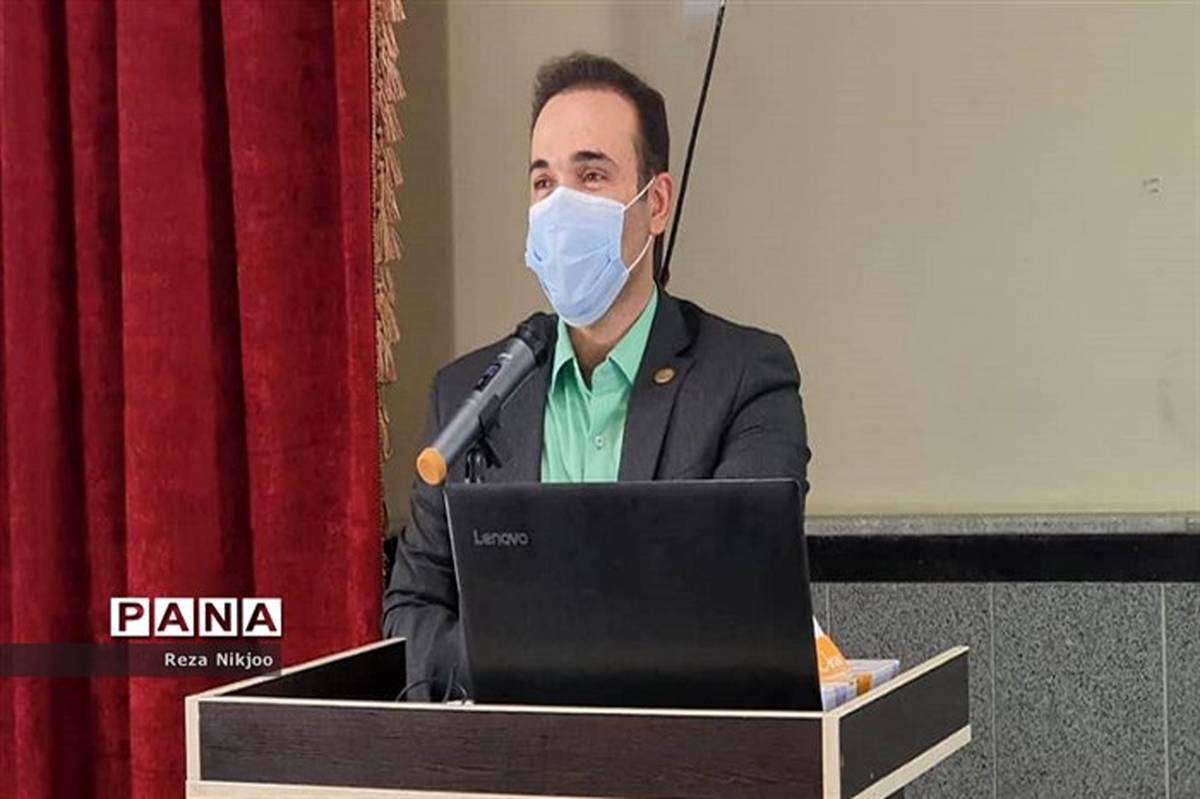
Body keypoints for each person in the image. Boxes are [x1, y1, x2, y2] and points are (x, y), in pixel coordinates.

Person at [383, 52, 811, 699]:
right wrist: (523, 670)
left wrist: (539, 653)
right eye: (543, 182)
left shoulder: (746, 377)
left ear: (656, 203)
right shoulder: (468, 394)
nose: (560, 206)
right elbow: (411, 612)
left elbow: (738, 599)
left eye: (591, 175)